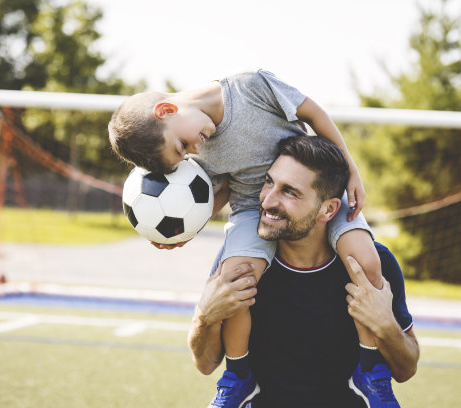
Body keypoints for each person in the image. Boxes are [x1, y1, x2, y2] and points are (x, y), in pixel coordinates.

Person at [109, 70, 387, 406]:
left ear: (166, 111)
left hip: (312, 196)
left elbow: (313, 113)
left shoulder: (251, 87)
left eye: (182, 145)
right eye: (184, 153)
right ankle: (239, 375)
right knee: (234, 281)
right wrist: (183, 231)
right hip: (251, 212)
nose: (194, 149)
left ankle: (370, 370)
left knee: (366, 261)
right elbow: (218, 192)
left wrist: (350, 168)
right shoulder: (200, 150)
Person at [188, 135, 420, 407]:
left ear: (328, 209)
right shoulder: (241, 264)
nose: (267, 200)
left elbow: (406, 369)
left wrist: (386, 326)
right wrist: (204, 316)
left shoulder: (373, 262)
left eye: (290, 192)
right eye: (269, 182)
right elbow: (205, 364)